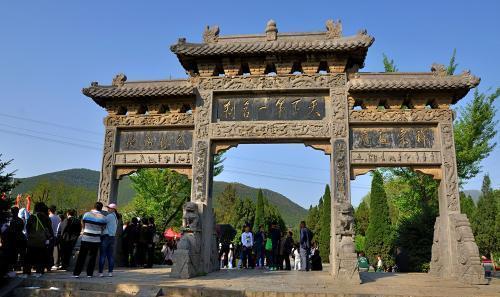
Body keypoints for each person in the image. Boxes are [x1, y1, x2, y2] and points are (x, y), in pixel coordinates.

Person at [73, 202, 106, 278]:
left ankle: (77, 273)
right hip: (96, 240)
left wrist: (86, 229)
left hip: (86, 238)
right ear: (101, 208)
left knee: (82, 256)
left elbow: (83, 224)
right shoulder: (103, 218)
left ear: (94, 207)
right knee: (92, 257)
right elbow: (103, 228)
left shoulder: (86, 214)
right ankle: (89, 274)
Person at [23, 202, 53, 278]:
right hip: (42, 241)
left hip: (32, 241)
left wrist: (31, 235)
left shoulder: (32, 217)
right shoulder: (46, 218)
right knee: (40, 256)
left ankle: (26, 272)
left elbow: (27, 228)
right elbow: (50, 230)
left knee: (29, 256)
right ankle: (39, 271)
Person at [4, 207, 26, 277]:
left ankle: (15, 267)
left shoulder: (10, 221)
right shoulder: (20, 220)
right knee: (22, 254)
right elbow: (22, 228)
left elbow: (9, 230)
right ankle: (22, 268)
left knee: (14, 254)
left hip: (13, 239)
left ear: (12, 212)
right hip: (21, 238)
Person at [99, 203, 118, 277]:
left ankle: (101, 272)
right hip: (112, 237)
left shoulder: (109, 216)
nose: (108, 209)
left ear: (113, 209)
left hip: (106, 236)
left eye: (109, 208)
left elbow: (102, 221)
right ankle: (110, 272)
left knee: (102, 255)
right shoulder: (115, 216)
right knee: (110, 256)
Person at [48, 205, 61, 270]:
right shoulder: (58, 218)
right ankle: (56, 263)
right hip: (57, 236)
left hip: (50, 236)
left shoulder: (49, 217)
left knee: (50, 251)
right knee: (56, 251)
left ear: (49, 210)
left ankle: (50, 264)